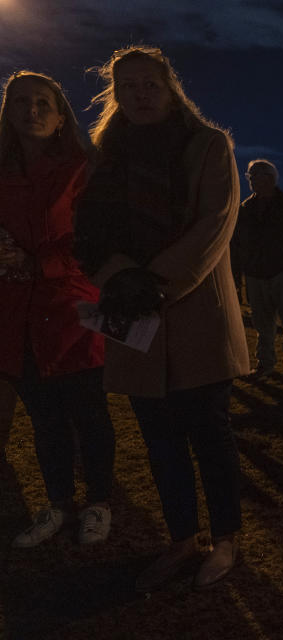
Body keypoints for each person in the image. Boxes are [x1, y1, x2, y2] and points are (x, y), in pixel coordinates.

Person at [74, 46, 248, 591]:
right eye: (128, 86)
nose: (140, 94)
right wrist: (119, 276)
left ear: (171, 88)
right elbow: (91, 226)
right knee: (160, 441)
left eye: (150, 84)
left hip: (193, 310)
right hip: (132, 316)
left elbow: (214, 223)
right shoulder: (105, 156)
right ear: (115, 95)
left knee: (210, 436)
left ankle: (226, 540)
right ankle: (181, 538)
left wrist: (154, 282)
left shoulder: (207, 144)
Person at [0, 71, 116, 548]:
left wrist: (39, 262)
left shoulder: (79, 167)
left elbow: (95, 238)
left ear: (61, 113)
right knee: (43, 417)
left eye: (43, 102)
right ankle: (59, 504)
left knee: (88, 410)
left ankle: (99, 502)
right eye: (21, 101)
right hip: (15, 313)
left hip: (70, 307)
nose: (32, 110)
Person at [235, 158, 283, 380]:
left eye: (256, 176)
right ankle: (265, 363)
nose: (252, 180)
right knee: (262, 325)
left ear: (270, 178)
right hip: (256, 273)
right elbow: (238, 244)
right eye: (250, 176)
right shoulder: (245, 209)